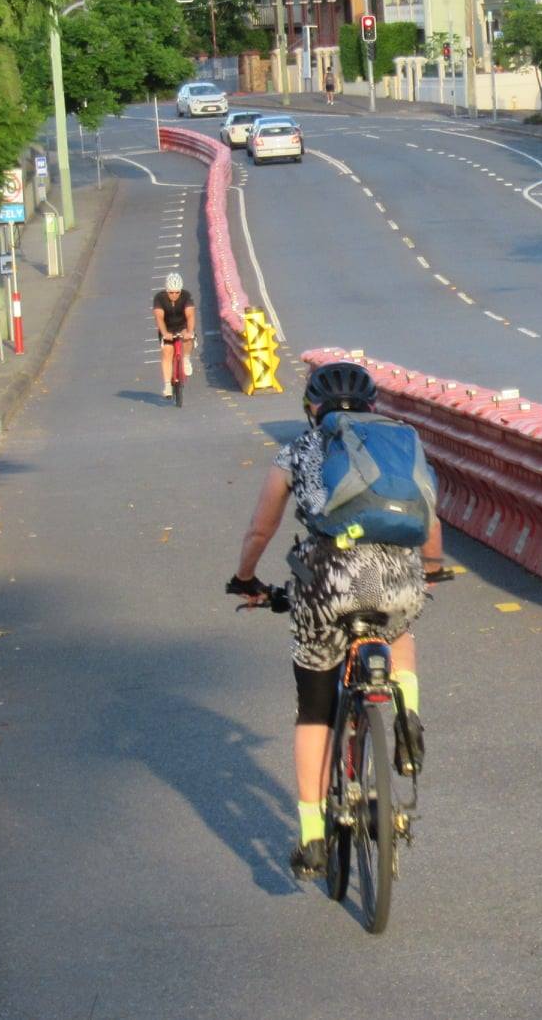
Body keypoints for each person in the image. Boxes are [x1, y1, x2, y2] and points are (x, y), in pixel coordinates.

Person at [226, 361, 445, 880]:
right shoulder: (397, 444)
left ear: (311, 408)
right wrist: (431, 572)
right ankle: (407, 715)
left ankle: (312, 837)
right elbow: (428, 518)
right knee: (399, 629)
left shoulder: (296, 451)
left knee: (315, 711)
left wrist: (246, 579)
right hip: (397, 577)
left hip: (327, 583)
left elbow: (261, 530)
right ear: (371, 406)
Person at [151, 272, 195, 398]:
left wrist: (189, 331)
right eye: (171, 292)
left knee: (188, 339)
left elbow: (190, 315)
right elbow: (159, 318)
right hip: (167, 327)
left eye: (177, 292)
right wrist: (165, 333)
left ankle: (186, 358)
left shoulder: (186, 296)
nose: (174, 295)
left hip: (182, 326)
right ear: (166, 290)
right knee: (167, 351)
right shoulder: (159, 298)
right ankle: (167, 385)